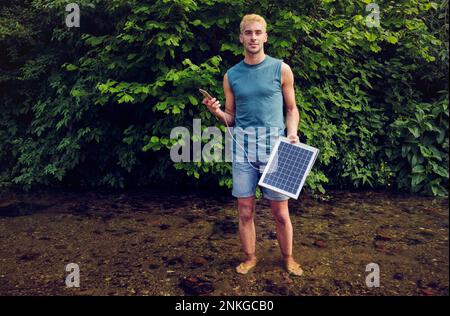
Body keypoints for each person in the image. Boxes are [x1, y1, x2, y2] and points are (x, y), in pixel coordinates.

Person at [202, 14, 303, 276]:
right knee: (245, 210)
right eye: (248, 33)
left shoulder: (281, 69)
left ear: (266, 36)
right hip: (243, 151)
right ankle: (250, 257)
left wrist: (292, 133)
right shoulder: (231, 75)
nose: (253, 37)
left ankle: (288, 258)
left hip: (279, 150)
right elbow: (231, 119)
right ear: (241, 37)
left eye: (258, 32)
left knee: (280, 212)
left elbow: (292, 109)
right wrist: (216, 112)